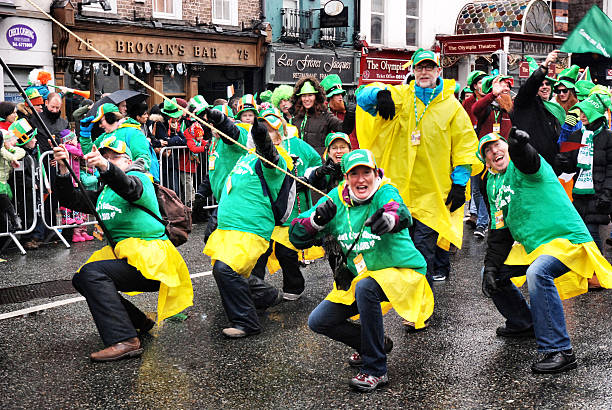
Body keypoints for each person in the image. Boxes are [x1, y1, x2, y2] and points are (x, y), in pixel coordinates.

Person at [289, 149, 434, 392]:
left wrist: (389, 219)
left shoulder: (385, 190)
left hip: (402, 272)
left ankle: (376, 368)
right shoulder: (336, 199)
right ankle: (372, 344)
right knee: (319, 321)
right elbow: (296, 235)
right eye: (354, 173)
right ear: (346, 178)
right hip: (363, 277)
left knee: (367, 287)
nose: (361, 179)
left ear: (376, 173)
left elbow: (399, 210)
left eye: (366, 172)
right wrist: (316, 221)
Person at [479, 128, 611, 374]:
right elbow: (500, 232)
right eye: (487, 150)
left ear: (508, 149)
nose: (494, 151)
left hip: (565, 240)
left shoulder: (524, 167)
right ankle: (523, 323)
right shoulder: (492, 184)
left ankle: (560, 350)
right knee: (491, 273)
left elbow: (528, 161)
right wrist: (491, 265)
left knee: (538, 273)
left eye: (498, 145)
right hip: (533, 246)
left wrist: (520, 147)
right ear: (485, 161)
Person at [53, 136, 193, 362]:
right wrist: (62, 169)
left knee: (93, 274)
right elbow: (71, 199)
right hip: (129, 258)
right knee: (82, 278)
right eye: (104, 156)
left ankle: (125, 340)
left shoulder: (140, 178)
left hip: (153, 260)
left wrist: (104, 165)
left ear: (128, 160)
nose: (107, 160)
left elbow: (128, 187)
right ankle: (139, 322)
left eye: (114, 158)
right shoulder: (105, 191)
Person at [356, 48, 482, 284]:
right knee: (404, 251)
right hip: (400, 193)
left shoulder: (451, 106)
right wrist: (379, 94)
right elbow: (362, 96)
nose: (424, 72)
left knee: (423, 251)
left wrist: (459, 183)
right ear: (413, 71)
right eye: (419, 67)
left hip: (433, 195)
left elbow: (465, 146)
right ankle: (412, 304)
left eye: (429, 67)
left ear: (438, 71)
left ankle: (420, 309)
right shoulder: (402, 96)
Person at [203, 115, 285, 338]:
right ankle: (266, 295)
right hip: (230, 228)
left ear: (279, 137)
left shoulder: (278, 159)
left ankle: (247, 322)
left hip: (250, 229)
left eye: (271, 131)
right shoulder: (246, 157)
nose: (264, 133)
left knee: (225, 270)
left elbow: (270, 155)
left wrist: (262, 138)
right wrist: (219, 120)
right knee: (229, 271)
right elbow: (232, 133)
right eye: (260, 130)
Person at [250, 108, 322, 300]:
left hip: (291, 211)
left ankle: (294, 286)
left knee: (286, 251)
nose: (268, 132)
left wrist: (307, 177)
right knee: (259, 251)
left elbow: (316, 160)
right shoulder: (256, 149)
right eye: (264, 128)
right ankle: (256, 290)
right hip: (265, 209)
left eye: (271, 128)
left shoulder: (297, 144)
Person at [556, 93, 612, 252]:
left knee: (591, 232)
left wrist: (608, 193)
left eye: (585, 112)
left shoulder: (608, 137)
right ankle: (590, 272)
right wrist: (562, 161)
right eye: (580, 112)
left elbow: (610, 168)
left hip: (599, 194)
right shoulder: (576, 135)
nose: (581, 116)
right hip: (579, 195)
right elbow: (569, 168)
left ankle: (598, 272)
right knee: (582, 235)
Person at [470, 75, 514, 238]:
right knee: (481, 191)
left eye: (507, 88)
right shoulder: (486, 108)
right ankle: (487, 222)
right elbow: (475, 109)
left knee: (502, 193)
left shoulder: (511, 108)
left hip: (505, 161)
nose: (505, 90)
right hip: (484, 160)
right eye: (501, 87)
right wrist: (493, 95)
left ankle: (488, 224)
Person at [511, 51, 565, 172]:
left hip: (551, 168)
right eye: (541, 84)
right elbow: (530, 86)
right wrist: (545, 65)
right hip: (532, 166)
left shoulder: (553, 107)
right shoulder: (525, 102)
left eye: (547, 84)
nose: (545, 87)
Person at [290, 76, 355, 155]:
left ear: (316, 97)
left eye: (310, 95)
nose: (306, 99)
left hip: (319, 164)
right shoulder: (295, 117)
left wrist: (350, 113)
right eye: (303, 96)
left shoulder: (325, 115)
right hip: (300, 163)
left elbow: (344, 130)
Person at [320, 74, 358, 149]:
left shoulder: (351, 112)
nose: (340, 97)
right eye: (336, 94)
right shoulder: (322, 113)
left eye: (341, 94)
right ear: (329, 98)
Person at [0, 129, 25, 232]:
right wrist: (13, 159)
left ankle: (13, 220)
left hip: (3, 181)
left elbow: (22, 152)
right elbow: (2, 152)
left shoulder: (8, 150)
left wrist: (12, 152)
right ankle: (12, 220)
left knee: (3, 201)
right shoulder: (1, 150)